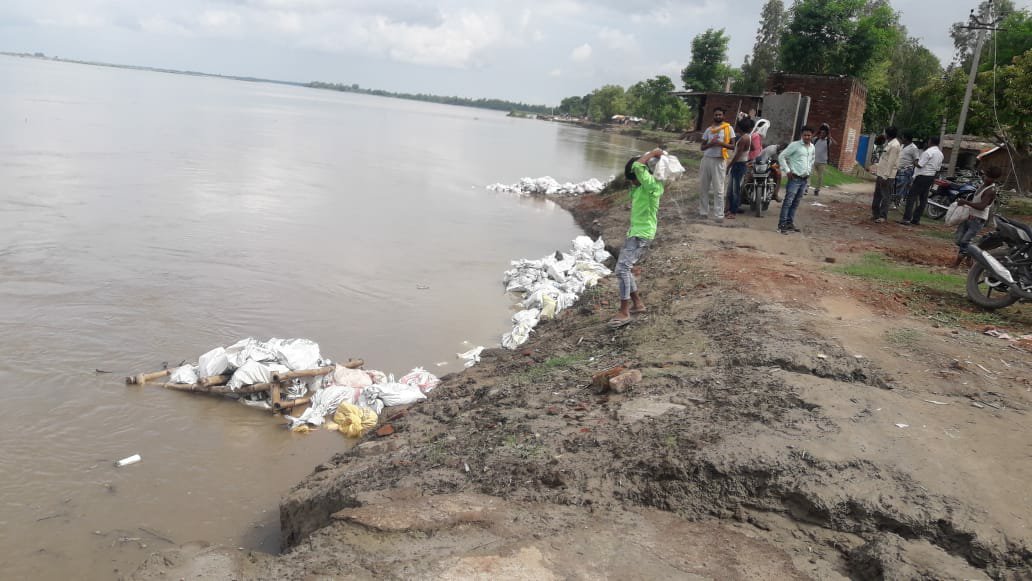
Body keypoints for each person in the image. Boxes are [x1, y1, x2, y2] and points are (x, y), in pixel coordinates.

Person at [608, 148, 666, 328]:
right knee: (625, 267)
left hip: (642, 235)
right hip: (635, 233)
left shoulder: (652, 187)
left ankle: (624, 311)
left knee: (622, 269)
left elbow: (637, 167)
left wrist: (652, 154)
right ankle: (637, 304)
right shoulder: (640, 187)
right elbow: (635, 171)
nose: (632, 183)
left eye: (632, 179)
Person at [951, 166, 1002, 267]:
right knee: (958, 240)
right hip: (970, 216)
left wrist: (965, 202)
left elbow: (982, 206)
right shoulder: (983, 185)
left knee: (965, 241)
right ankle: (970, 253)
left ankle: (957, 264)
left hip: (978, 219)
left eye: (987, 176)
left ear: (993, 179)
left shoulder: (990, 191)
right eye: (985, 175)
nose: (985, 177)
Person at [777, 126, 816, 234]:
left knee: (795, 202)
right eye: (805, 135)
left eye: (809, 135)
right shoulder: (795, 145)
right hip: (794, 178)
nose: (807, 137)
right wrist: (788, 171)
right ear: (801, 135)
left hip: (804, 179)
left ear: (812, 135)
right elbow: (781, 156)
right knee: (788, 202)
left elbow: (812, 159)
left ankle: (790, 223)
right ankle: (782, 225)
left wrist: (809, 170)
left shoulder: (812, 147)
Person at [699, 108, 735, 222]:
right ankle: (703, 212)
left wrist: (719, 143)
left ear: (723, 116)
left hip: (719, 161)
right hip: (707, 160)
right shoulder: (709, 130)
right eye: (716, 115)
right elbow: (702, 147)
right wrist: (711, 144)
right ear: (713, 116)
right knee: (703, 187)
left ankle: (719, 215)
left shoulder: (728, 128)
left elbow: (733, 146)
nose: (718, 116)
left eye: (720, 115)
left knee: (718, 189)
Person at [899, 135, 943, 225]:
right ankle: (916, 219)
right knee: (923, 199)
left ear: (930, 141)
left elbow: (920, 165)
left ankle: (907, 218)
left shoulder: (928, 152)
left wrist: (914, 161)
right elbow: (938, 169)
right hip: (931, 177)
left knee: (911, 197)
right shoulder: (940, 154)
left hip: (922, 176)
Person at [724, 117, 755, 219]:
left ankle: (733, 211)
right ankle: (729, 209)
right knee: (732, 189)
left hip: (738, 165)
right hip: (742, 164)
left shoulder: (743, 139)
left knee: (735, 190)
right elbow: (753, 148)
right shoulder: (748, 137)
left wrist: (729, 165)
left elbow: (737, 155)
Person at [872, 126, 901, 223]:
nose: (884, 134)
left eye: (885, 133)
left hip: (887, 175)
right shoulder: (889, 143)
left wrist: (886, 176)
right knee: (877, 195)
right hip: (881, 173)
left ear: (888, 134)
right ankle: (875, 214)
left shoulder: (895, 145)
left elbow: (891, 162)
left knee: (885, 196)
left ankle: (882, 216)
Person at [894, 131, 919, 209]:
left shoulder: (914, 148)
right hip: (897, 169)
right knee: (894, 186)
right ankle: (892, 201)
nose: (902, 139)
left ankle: (896, 204)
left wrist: (914, 173)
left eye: (903, 137)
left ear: (906, 138)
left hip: (906, 171)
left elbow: (916, 161)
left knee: (900, 188)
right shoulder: (902, 146)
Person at [811, 124, 835, 196]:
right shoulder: (816, 139)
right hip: (813, 160)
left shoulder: (828, 141)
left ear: (826, 134)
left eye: (824, 133)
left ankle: (817, 190)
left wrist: (829, 136)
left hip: (822, 162)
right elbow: (810, 138)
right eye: (821, 133)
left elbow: (835, 143)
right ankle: (806, 187)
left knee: (820, 177)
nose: (822, 134)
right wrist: (817, 132)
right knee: (809, 174)